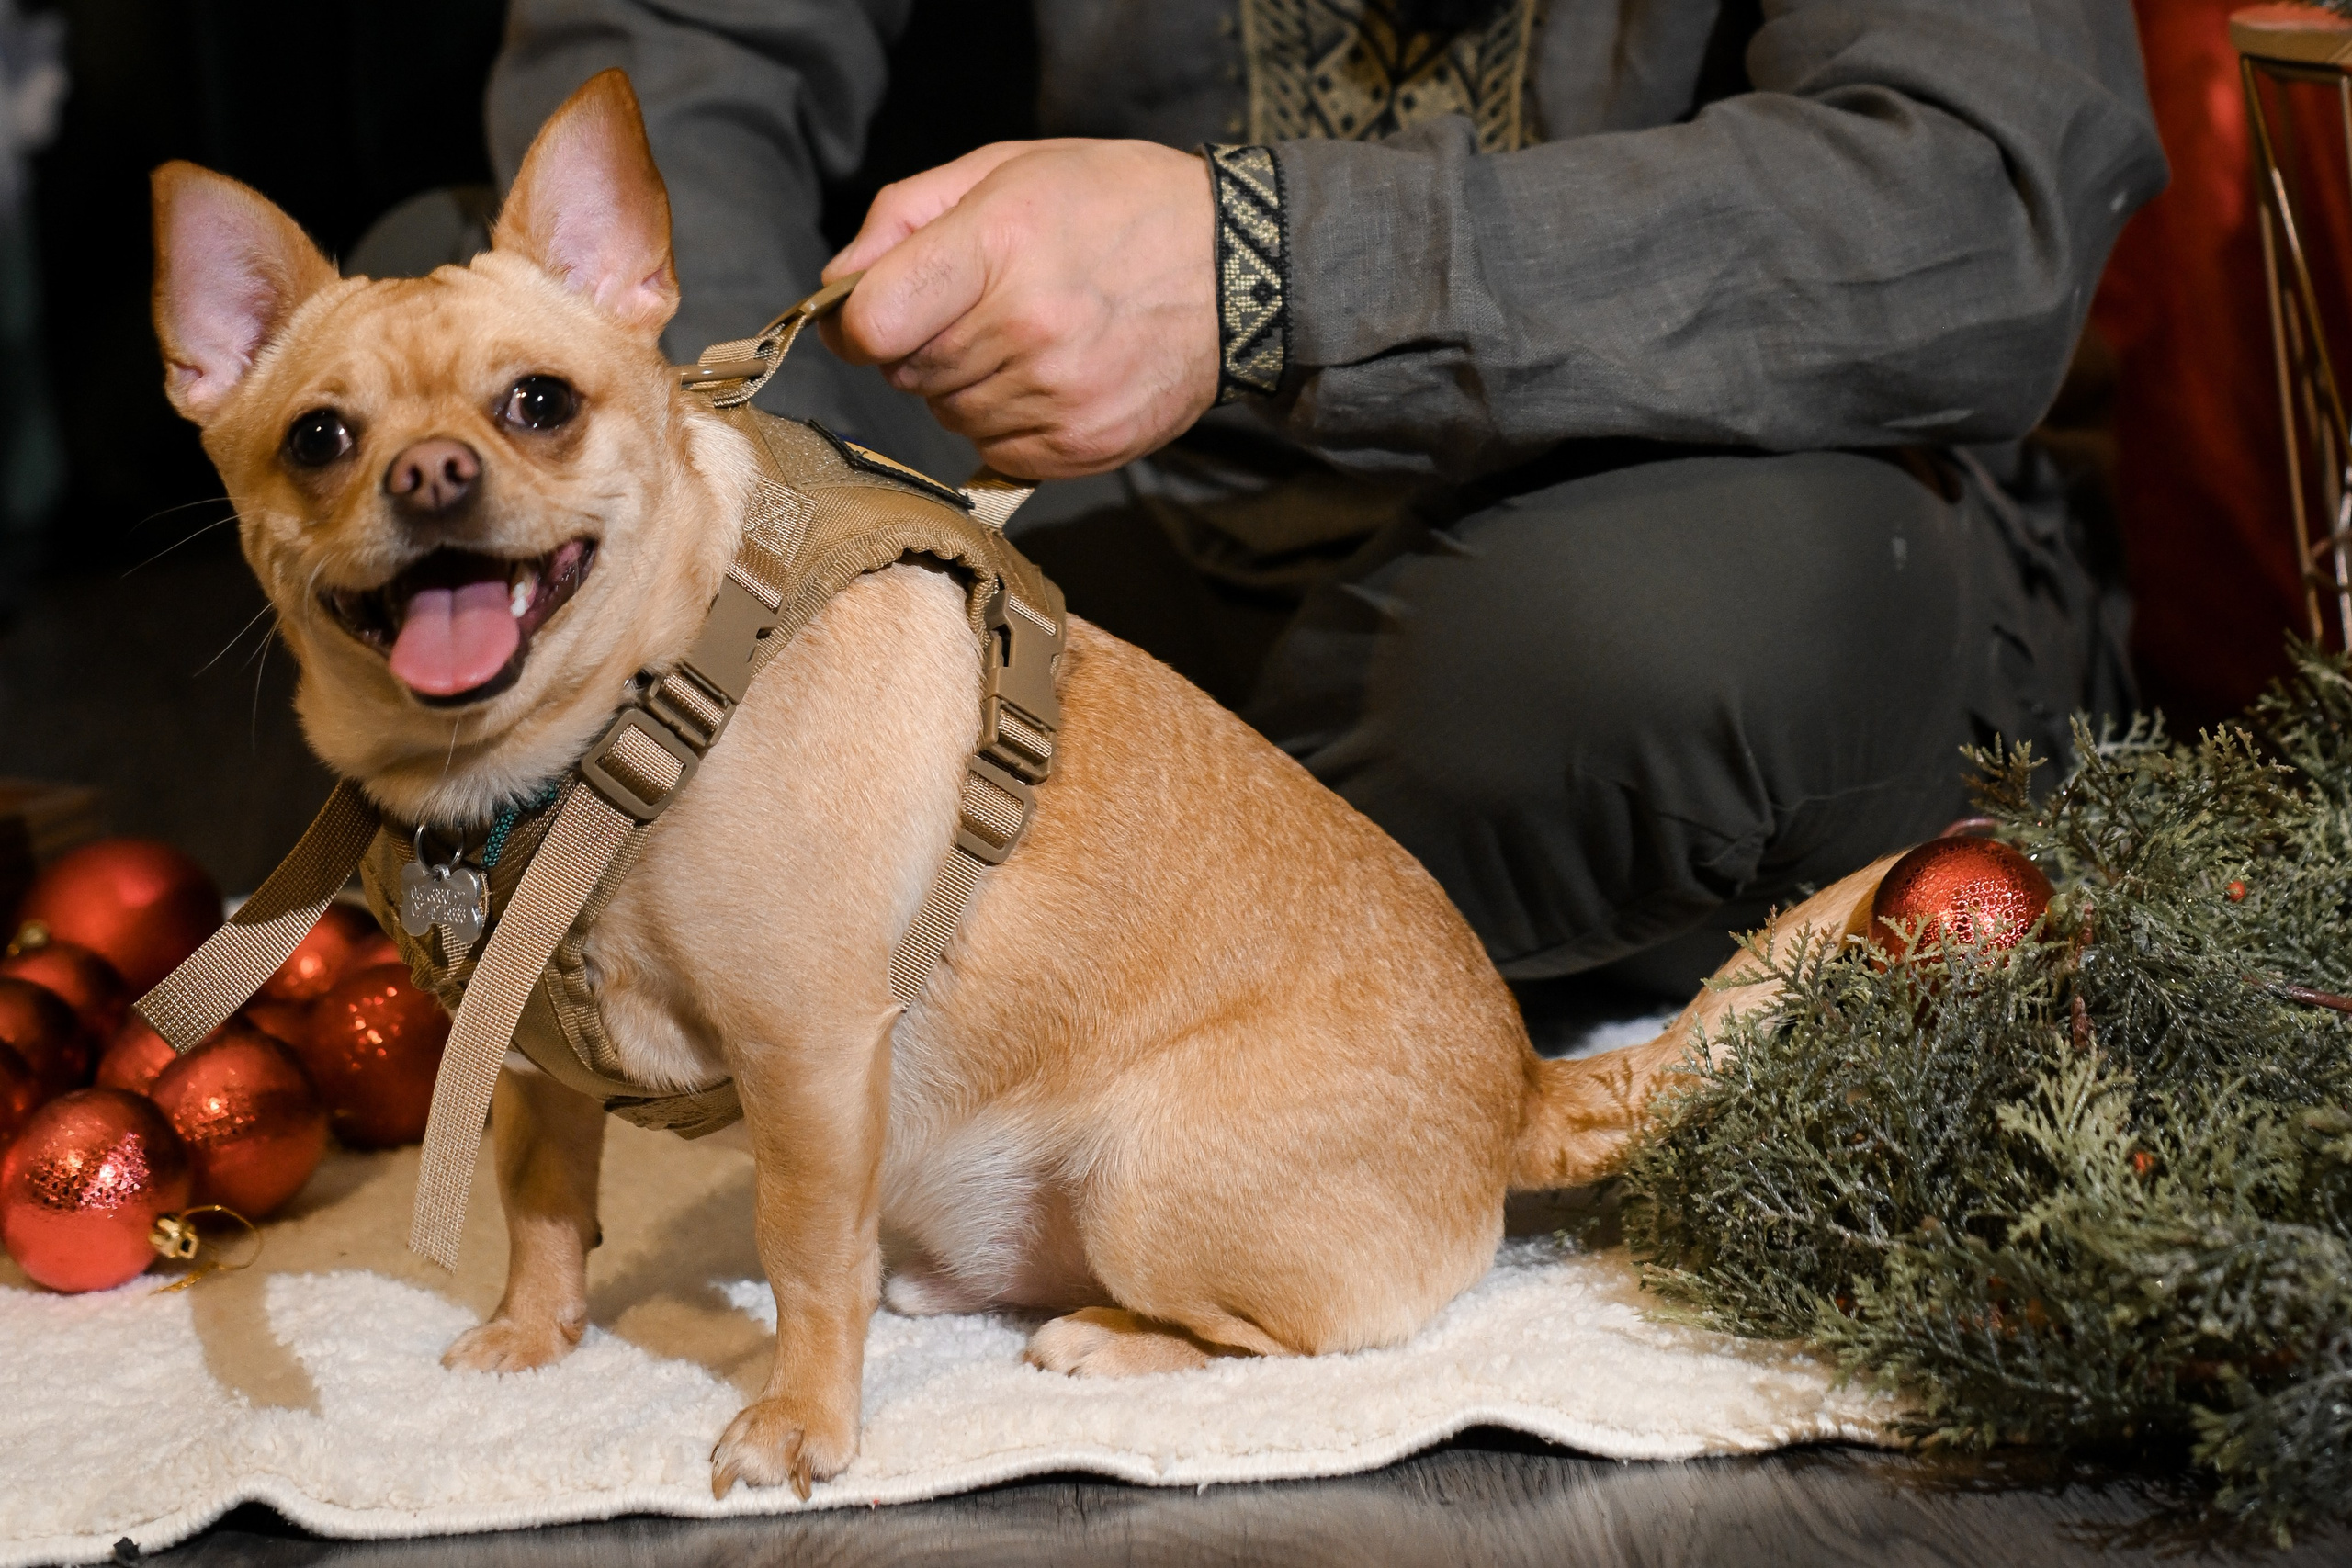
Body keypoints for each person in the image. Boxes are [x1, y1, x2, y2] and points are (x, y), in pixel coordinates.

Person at [476, 0, 2166, 1000]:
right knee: (485, 356)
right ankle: (933, 877)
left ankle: (956, 908)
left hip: (1669, 508)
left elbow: (1972, 202)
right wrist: (756, 531)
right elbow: (677, 50)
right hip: (1096, 527)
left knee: (1651, 650)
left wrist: (1262, 266)